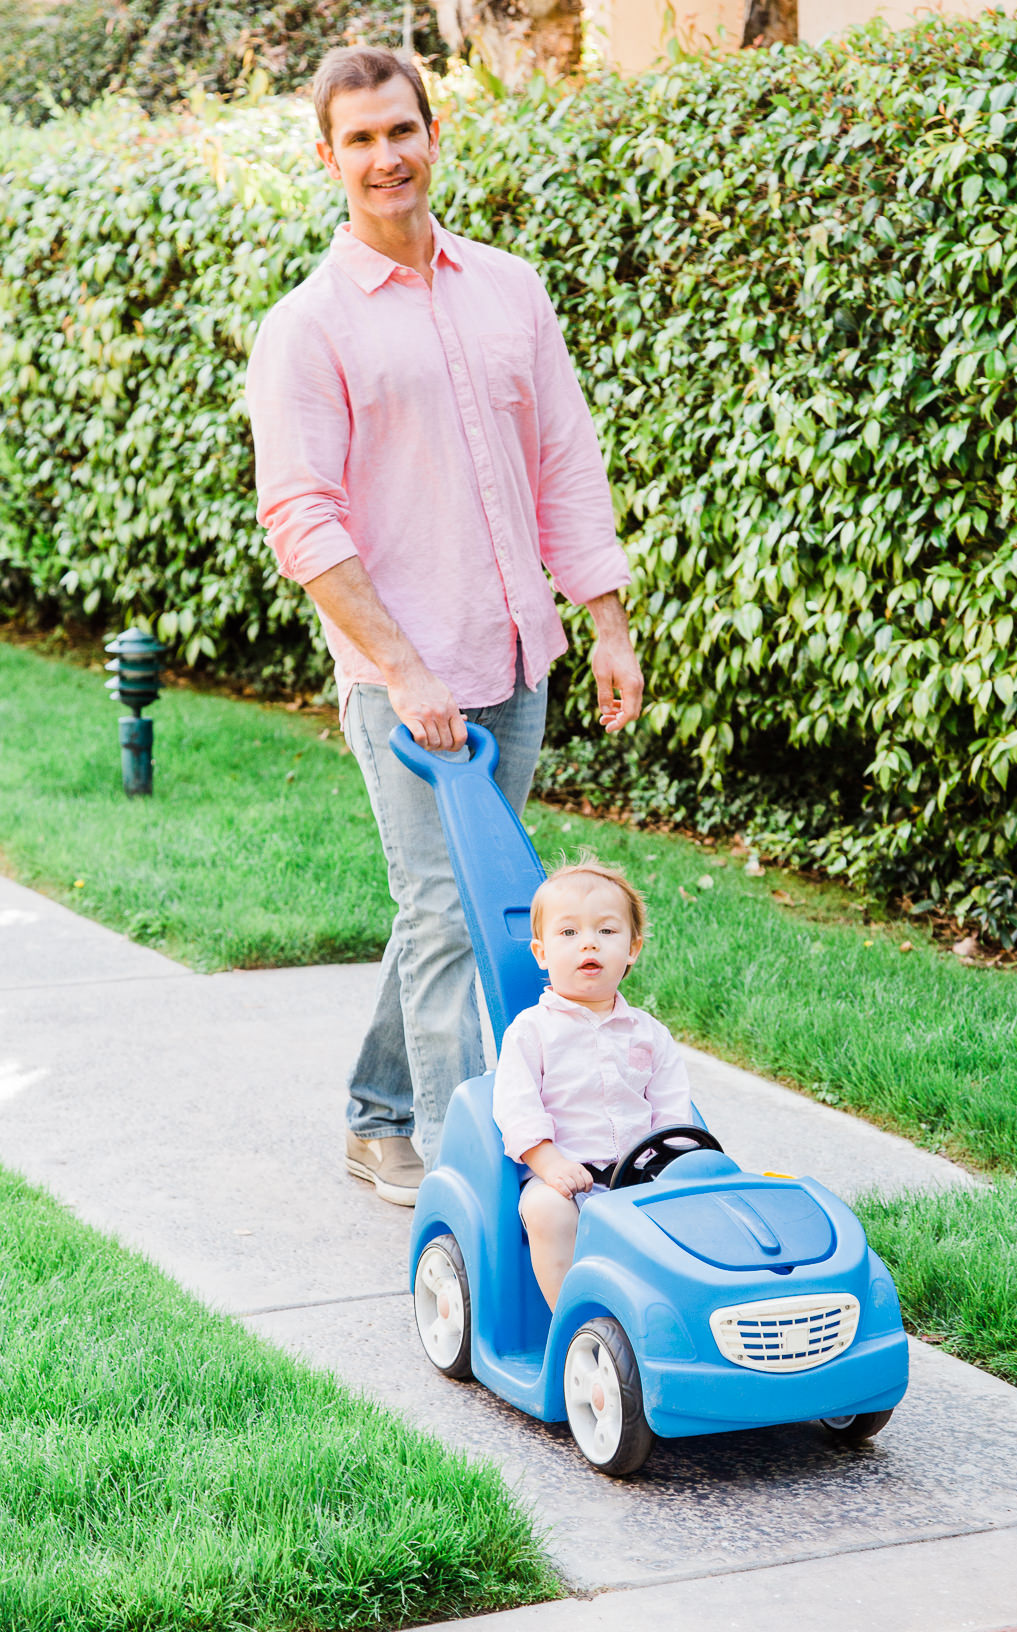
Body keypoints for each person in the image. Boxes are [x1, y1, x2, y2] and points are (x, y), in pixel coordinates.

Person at [245, 46, 643, 1207]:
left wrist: (604, 620)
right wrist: (404, 669)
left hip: (516, 654)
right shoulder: (307, 328)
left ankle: (372, 1113)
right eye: (359, 140)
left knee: (463, 913)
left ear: (433, 133)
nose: (386, 157)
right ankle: (458, 1166)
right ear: (328, 159)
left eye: (400, 131)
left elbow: (566, 459)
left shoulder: (509, 289)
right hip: (404, 681)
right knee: (447, 912)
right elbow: (302, 521)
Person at [492, 863, 691, 1307]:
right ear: (541, 954)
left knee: (694, 1207)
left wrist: (673, 1165)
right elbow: (516, 1107)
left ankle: (667, 1317)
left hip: (642, 1178)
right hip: (562, 1181)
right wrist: (549, 1163)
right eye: (568, 934)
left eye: (606, 931)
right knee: (547, 1211)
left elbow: (673, 1113)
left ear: (632, 949)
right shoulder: (531, 1031)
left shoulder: (650, 1034)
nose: (588, 942)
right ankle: (573, 1319)